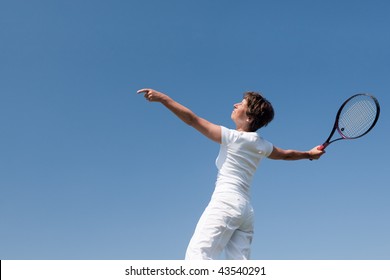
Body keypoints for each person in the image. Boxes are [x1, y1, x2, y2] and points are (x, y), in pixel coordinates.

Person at [136, 88, 325, 260]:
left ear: (249, 118)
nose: (235, 104)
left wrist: (163, 98)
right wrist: (309, 154)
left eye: (241, 104)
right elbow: (286, 155)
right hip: (246, 212)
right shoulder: (262, 144)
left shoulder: (234, 138)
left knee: (197, 257)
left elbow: (192, 120)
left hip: (226, 203)